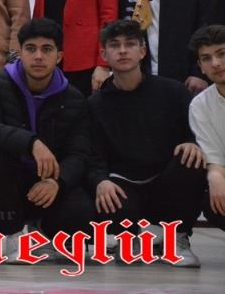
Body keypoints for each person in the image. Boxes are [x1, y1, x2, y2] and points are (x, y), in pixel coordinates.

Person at [0, 18, 94, 260]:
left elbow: (79, 153)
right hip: (9, 180)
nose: (38, 56)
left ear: (59, 56)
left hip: (49, 181)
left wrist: (58, 183)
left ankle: (44, 229)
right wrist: (32, 143)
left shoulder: (74, 98)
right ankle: (10, 233)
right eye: (31, 49)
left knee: (80, 217)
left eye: (46, 49)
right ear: (20, 53)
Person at [88, 19, 205, 267]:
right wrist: (100, 180)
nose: (122, 51)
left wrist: (191, 142)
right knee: (108, 193)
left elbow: (195, 132)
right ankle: (129, 239)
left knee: (192, 159)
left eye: (130, 44)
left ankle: (177, 238)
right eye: (115, 45)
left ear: (142, 51)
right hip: (125, 185)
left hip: (166, 181)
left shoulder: (173, 92)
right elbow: (93, 153)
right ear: (104, 54)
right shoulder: (95, 104)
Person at [188, 25, 225, 233]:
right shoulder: (200, 105)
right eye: (206, 58)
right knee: (213, 201)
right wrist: (215, 177)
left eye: (222, 54)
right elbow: (215, 160)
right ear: (200, 67)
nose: (216, 63)